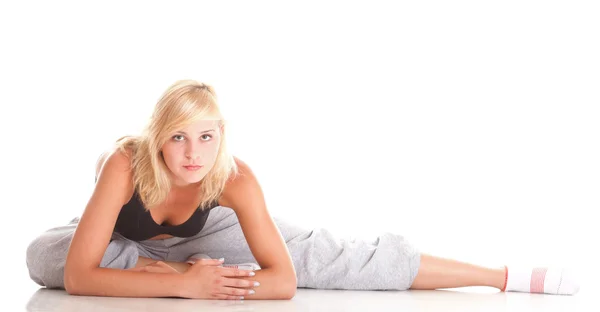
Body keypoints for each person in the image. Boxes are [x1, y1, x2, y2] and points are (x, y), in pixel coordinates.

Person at [25, 80, 580, 300]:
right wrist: (186, 288)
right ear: (156, 138)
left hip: (204, 234)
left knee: (325, 257)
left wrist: (187, 276)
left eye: (206, 137)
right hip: (127, 236)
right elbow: (77, 277)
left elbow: (285, 282)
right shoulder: (125, 164)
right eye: (177, 137)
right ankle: (173, 266)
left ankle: (502, 276)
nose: (193, 153)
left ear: (221, 138)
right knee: (43, 256)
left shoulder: (233, 178)